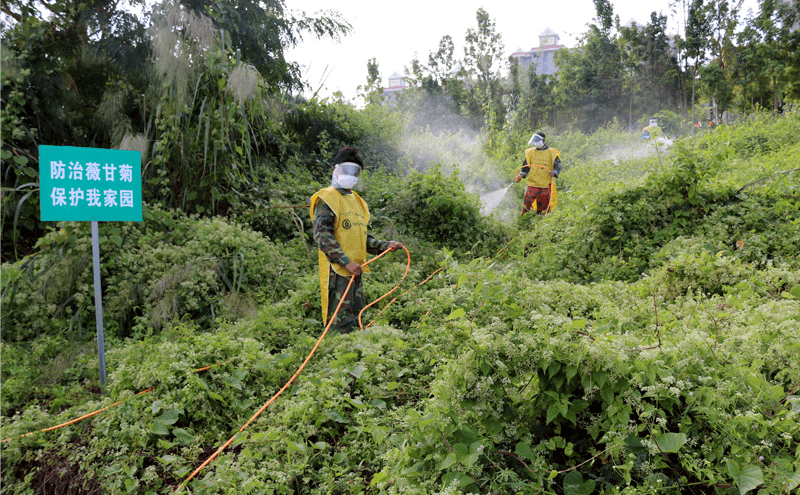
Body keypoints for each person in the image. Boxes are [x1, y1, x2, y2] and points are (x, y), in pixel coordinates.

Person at [310, 146, 403, 333]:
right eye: (347, 170)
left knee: (357, 317)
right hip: (337, 272)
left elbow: (361, 238)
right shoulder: (327, 198)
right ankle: (335, 356)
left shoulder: (358, 202)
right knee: (340, 323)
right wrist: (345, 262)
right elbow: (323, 236)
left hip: (355, 272)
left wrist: (385, 246)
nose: (351, 175)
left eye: (356, 172)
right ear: (337, 170)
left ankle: (355, 354)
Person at [515, 132, 561, 215]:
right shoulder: (531, 152)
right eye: (534, 141)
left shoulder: (552, 153)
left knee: (543, 209)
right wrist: (521, 175)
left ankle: (540, 222)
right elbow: (526, 166)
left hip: (545, 186)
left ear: (543, 140)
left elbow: (558, 165)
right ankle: (524, 220)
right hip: (531, 184)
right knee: (526, 205)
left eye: (537, 140)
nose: (535, 143)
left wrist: (554, 172)